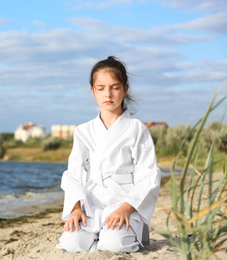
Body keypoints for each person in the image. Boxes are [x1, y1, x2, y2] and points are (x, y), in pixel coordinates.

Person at [57, 56, 161, 253]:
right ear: (92, 91)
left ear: (125, 89)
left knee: (114, 244)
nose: (108, 94)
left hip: (123, 202)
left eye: (114, 87)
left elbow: (148, 175)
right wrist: (76, 208)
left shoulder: (136, 128)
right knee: (71, 244)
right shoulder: (83, 130)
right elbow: (73, 174)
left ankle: (121, 233)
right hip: (91, 205)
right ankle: (97, 234)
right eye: (101, 88)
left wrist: (126, 208)